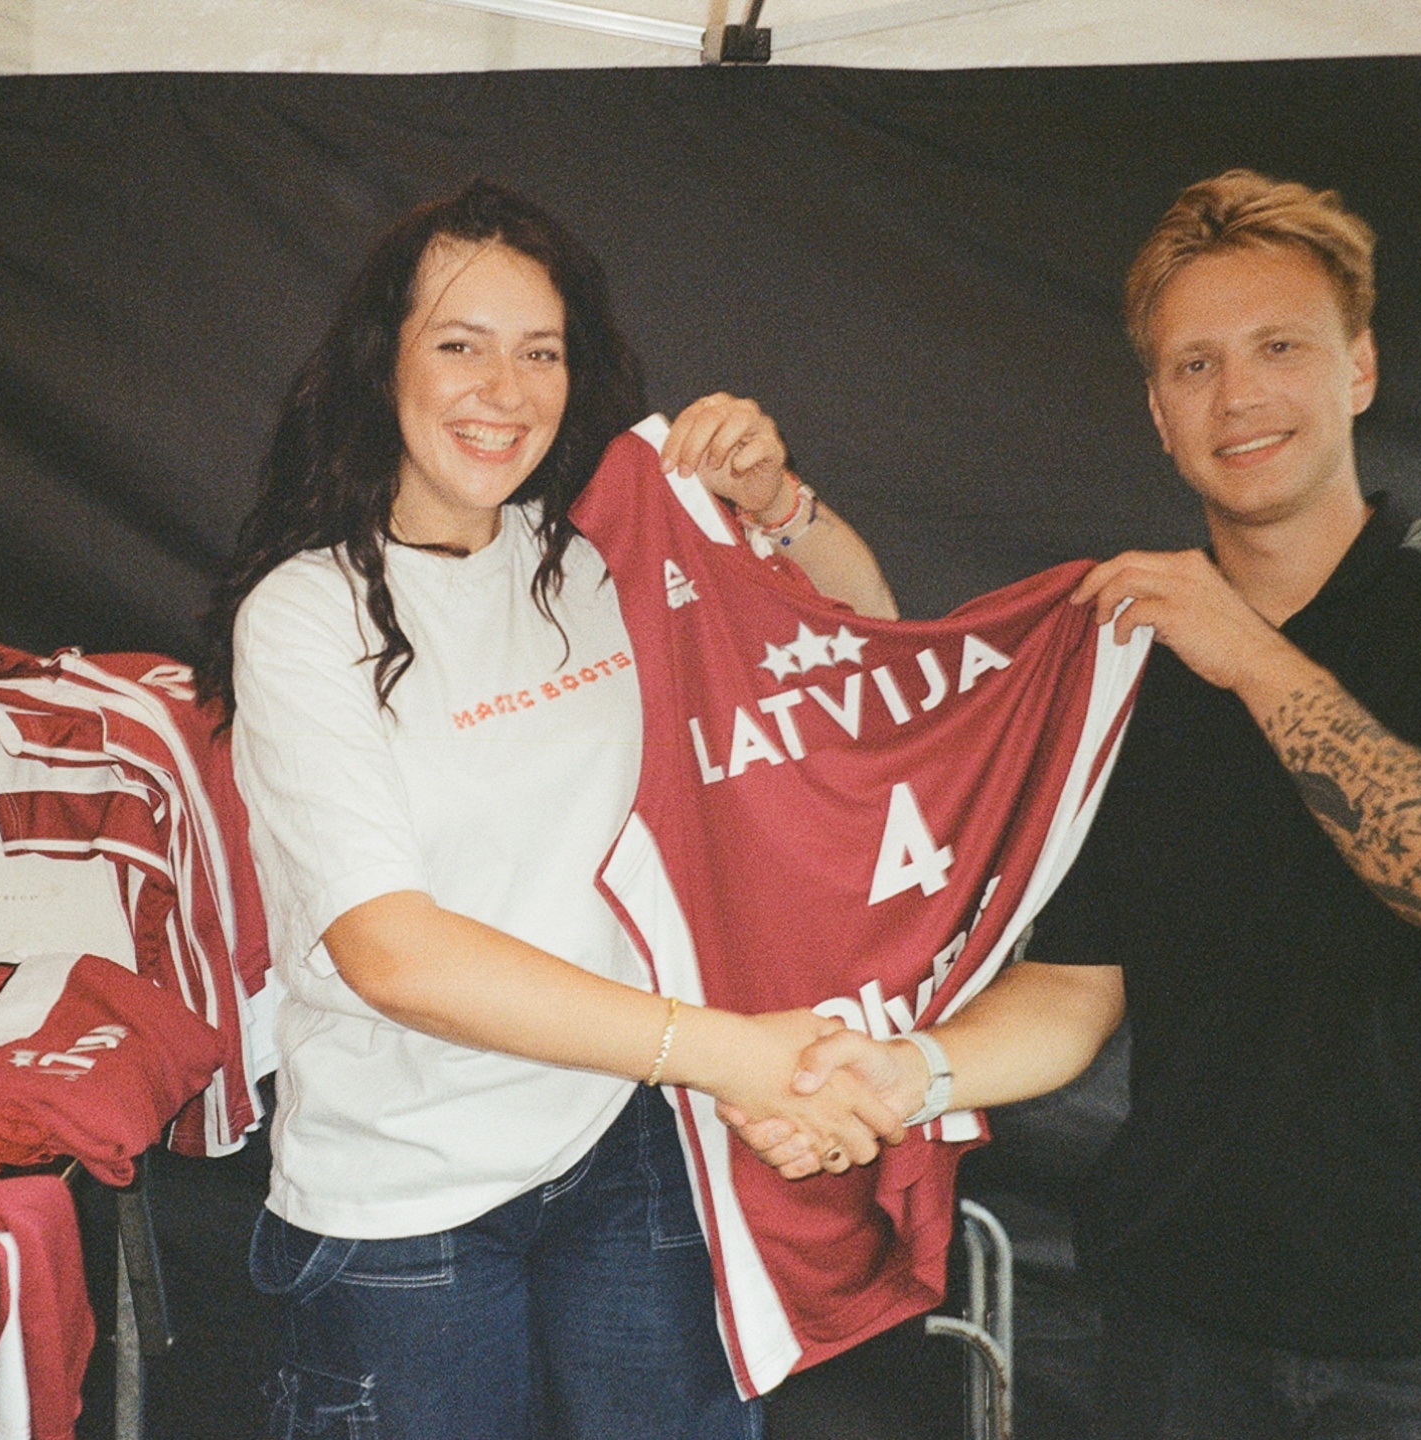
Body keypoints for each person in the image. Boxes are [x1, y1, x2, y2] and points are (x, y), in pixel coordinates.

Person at [740, 169, 1421, 1437]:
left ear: (1360, 368)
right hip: (1180, 1325)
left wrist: (1251, 655)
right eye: (1193, 366)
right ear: (1158, 414)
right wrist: (907, 1072)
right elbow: (1071, 989)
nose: (1238, 396)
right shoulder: (1117, 669)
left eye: (1279, 348)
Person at [196, 178, 903, 1440]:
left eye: (540, 352)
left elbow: (859, 652)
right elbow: (394, 954)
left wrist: (773, 502)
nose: (503, 390)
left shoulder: (593, 556)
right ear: (380, 363)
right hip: (407, 1195)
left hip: (627, 1147)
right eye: (458, 346)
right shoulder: (304, 615)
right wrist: (732, 1053)